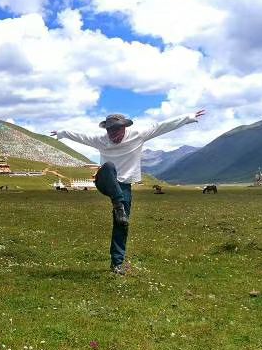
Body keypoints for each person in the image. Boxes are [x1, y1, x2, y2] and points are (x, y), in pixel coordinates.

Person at [52, 110, 205, 275]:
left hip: (124, 185)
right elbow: (80, 136)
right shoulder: (100, 140)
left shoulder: (138, 135)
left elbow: (161, 126)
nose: (113, 135)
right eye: (110, 131)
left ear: (124, 128)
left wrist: (188, 118)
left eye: (117, 131)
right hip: (105, 181)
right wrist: (62, 133)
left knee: (122, 223)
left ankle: (117, 263)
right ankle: (118, 204)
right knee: (109, 166)